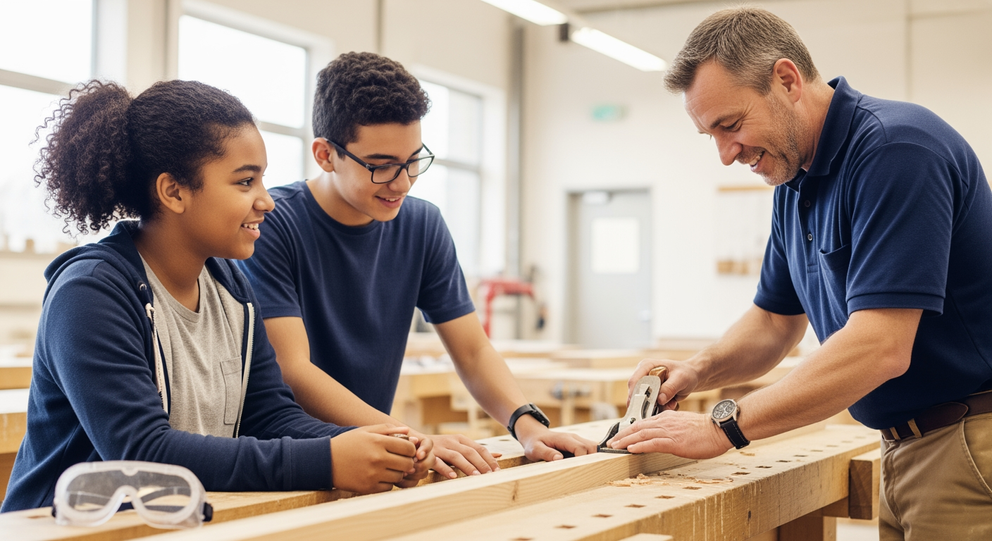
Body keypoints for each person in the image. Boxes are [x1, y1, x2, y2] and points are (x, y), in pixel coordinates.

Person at [607, 7, 992, 540]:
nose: (724, 154)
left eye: (731, 125)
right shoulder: (795, 182)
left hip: (968, 441)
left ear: (787, 80)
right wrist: (698, 370)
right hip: (906, 445)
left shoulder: (896, 152)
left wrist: (723, 427)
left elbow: (880, 345)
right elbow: (772, 321)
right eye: (709, 135)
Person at [1, 79, 433, 513]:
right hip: (62, 530)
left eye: (262, 179)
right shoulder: (91, 293)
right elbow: (142, 452)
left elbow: (269, 416)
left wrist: (380, 446)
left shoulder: (231, 286)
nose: (266, 201)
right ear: (173, 192)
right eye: (245, 182)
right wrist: (328, 460)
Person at [237, 51, 596, 478]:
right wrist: (410, 437)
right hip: (285, 460)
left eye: (413, 161)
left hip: (381, 452)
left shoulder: (422, 224)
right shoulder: (272, 224)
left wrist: (527, 424)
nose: (402, 182)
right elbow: (291, 369)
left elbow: (472, 349)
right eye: (382, 166)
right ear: (325, 154)